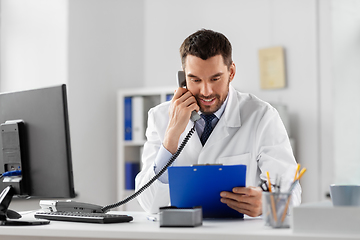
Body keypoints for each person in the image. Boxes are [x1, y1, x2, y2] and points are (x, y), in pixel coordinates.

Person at [135, 29, 301, 217]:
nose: (206, 91)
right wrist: (172, 135)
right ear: (183, 78)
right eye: (195, 79)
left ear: (231, 72)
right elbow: (149, 203)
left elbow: (292, 193)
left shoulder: (262, 116)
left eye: (215, 78)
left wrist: (266, 203)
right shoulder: (159, 117)